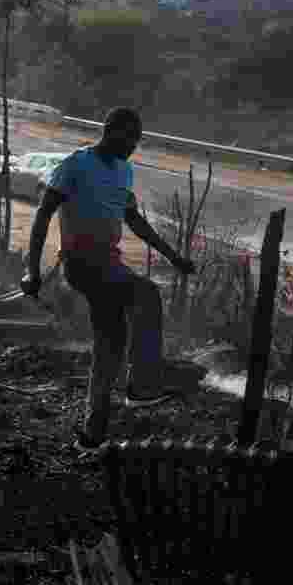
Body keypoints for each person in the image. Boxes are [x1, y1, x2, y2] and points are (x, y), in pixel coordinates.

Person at [20, 107, 199, 453]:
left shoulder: (125, 171)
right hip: (82, 264)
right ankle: (143, 384)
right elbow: (43, 214)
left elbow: (135, 221)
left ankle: (92, 433)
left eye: (137, 141)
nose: (134, 147)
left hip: (110, 264)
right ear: (111, 132)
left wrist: (173, 256)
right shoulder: (76, 164)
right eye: (130, 139)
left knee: (109, 347)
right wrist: (33, 269)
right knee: (146, 293)